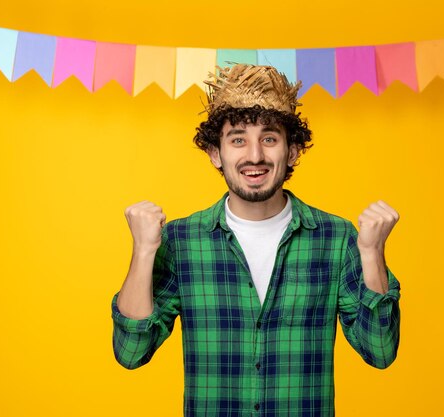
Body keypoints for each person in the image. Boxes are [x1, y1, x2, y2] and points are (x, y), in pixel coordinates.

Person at [111, 63, 402, 417]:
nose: (254, 156)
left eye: (269, 138)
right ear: (216, 154)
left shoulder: (336, 239)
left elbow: (381, 351)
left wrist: (372, 252)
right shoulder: (180, 240)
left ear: (292, 151)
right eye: (238, 139)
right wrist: (143, 251)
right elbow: (131, 352)